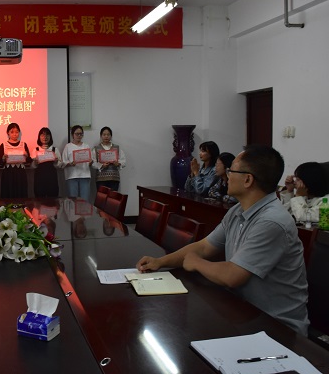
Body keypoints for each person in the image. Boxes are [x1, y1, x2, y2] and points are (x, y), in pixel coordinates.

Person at [137, 145, 309, 335]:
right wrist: (160, 262)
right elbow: (204, 247)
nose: (227, 175)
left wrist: (196, 263)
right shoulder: (237, 211)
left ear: (247, 179)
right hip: (242, 313)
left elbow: (232, 276)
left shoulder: (271, 222)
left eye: (231, 170)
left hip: (277, 327)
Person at [0, 123, 30, 198]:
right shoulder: (3, 145)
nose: (14, 134)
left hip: (20, 173)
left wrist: (27, 156)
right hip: (8, 173)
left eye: (17, 132)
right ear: (7, 133)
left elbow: (29, 161)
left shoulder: (23, 144)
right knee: (8, 194)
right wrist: (3, 158)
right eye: (12, 132)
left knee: (21, 194)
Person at [91, 126, 126, 192]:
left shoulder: (117, 148)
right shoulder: (96, 148)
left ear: (111, 136)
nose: (106, 136)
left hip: (114, 178)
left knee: (113, 198)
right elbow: (93, 163)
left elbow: (123, 161)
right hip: (101, 179)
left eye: (108, 134)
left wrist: (118, 164)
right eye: (104, 135)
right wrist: (101, 165)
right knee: (102, 197)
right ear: (101, 136)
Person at [31, 127, 63, 197]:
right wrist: (35, 163)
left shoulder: (55, 149)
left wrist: (56, 162)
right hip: (39, 178)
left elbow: (60, 165)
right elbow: (32, 166)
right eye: (42, 135)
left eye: (47, 135)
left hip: (52, 178)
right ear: (39, 137)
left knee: (52, 199)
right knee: (39, 198)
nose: (45, 137)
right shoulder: (36, 150)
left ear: (50, 137)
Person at [62, 125, 92, 200]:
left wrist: (91, 162)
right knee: (73, 201)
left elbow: (90, 161)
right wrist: (70, 163)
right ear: (72, 134)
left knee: (85, 201)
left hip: (85, 175)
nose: (79, 136)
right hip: (72, 176)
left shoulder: (86, 146)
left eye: (81, 134)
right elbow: (63, 162)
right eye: (77, 134)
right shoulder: (68, 146)